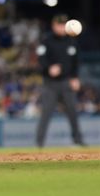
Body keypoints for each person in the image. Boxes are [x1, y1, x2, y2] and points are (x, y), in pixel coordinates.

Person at [35, 13, 85, 147]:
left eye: (64, 25)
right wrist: (48, 68)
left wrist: (75, 78)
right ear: (54, 25)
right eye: (59, 25)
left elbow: (76, 62)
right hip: (50, 84)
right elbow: (40, 59)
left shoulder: (71, 41)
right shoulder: (46, 40)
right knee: (46, 113)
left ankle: (78, 140)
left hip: (67, 82)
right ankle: (39, 143)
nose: (62, 27)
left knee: (73, 112)